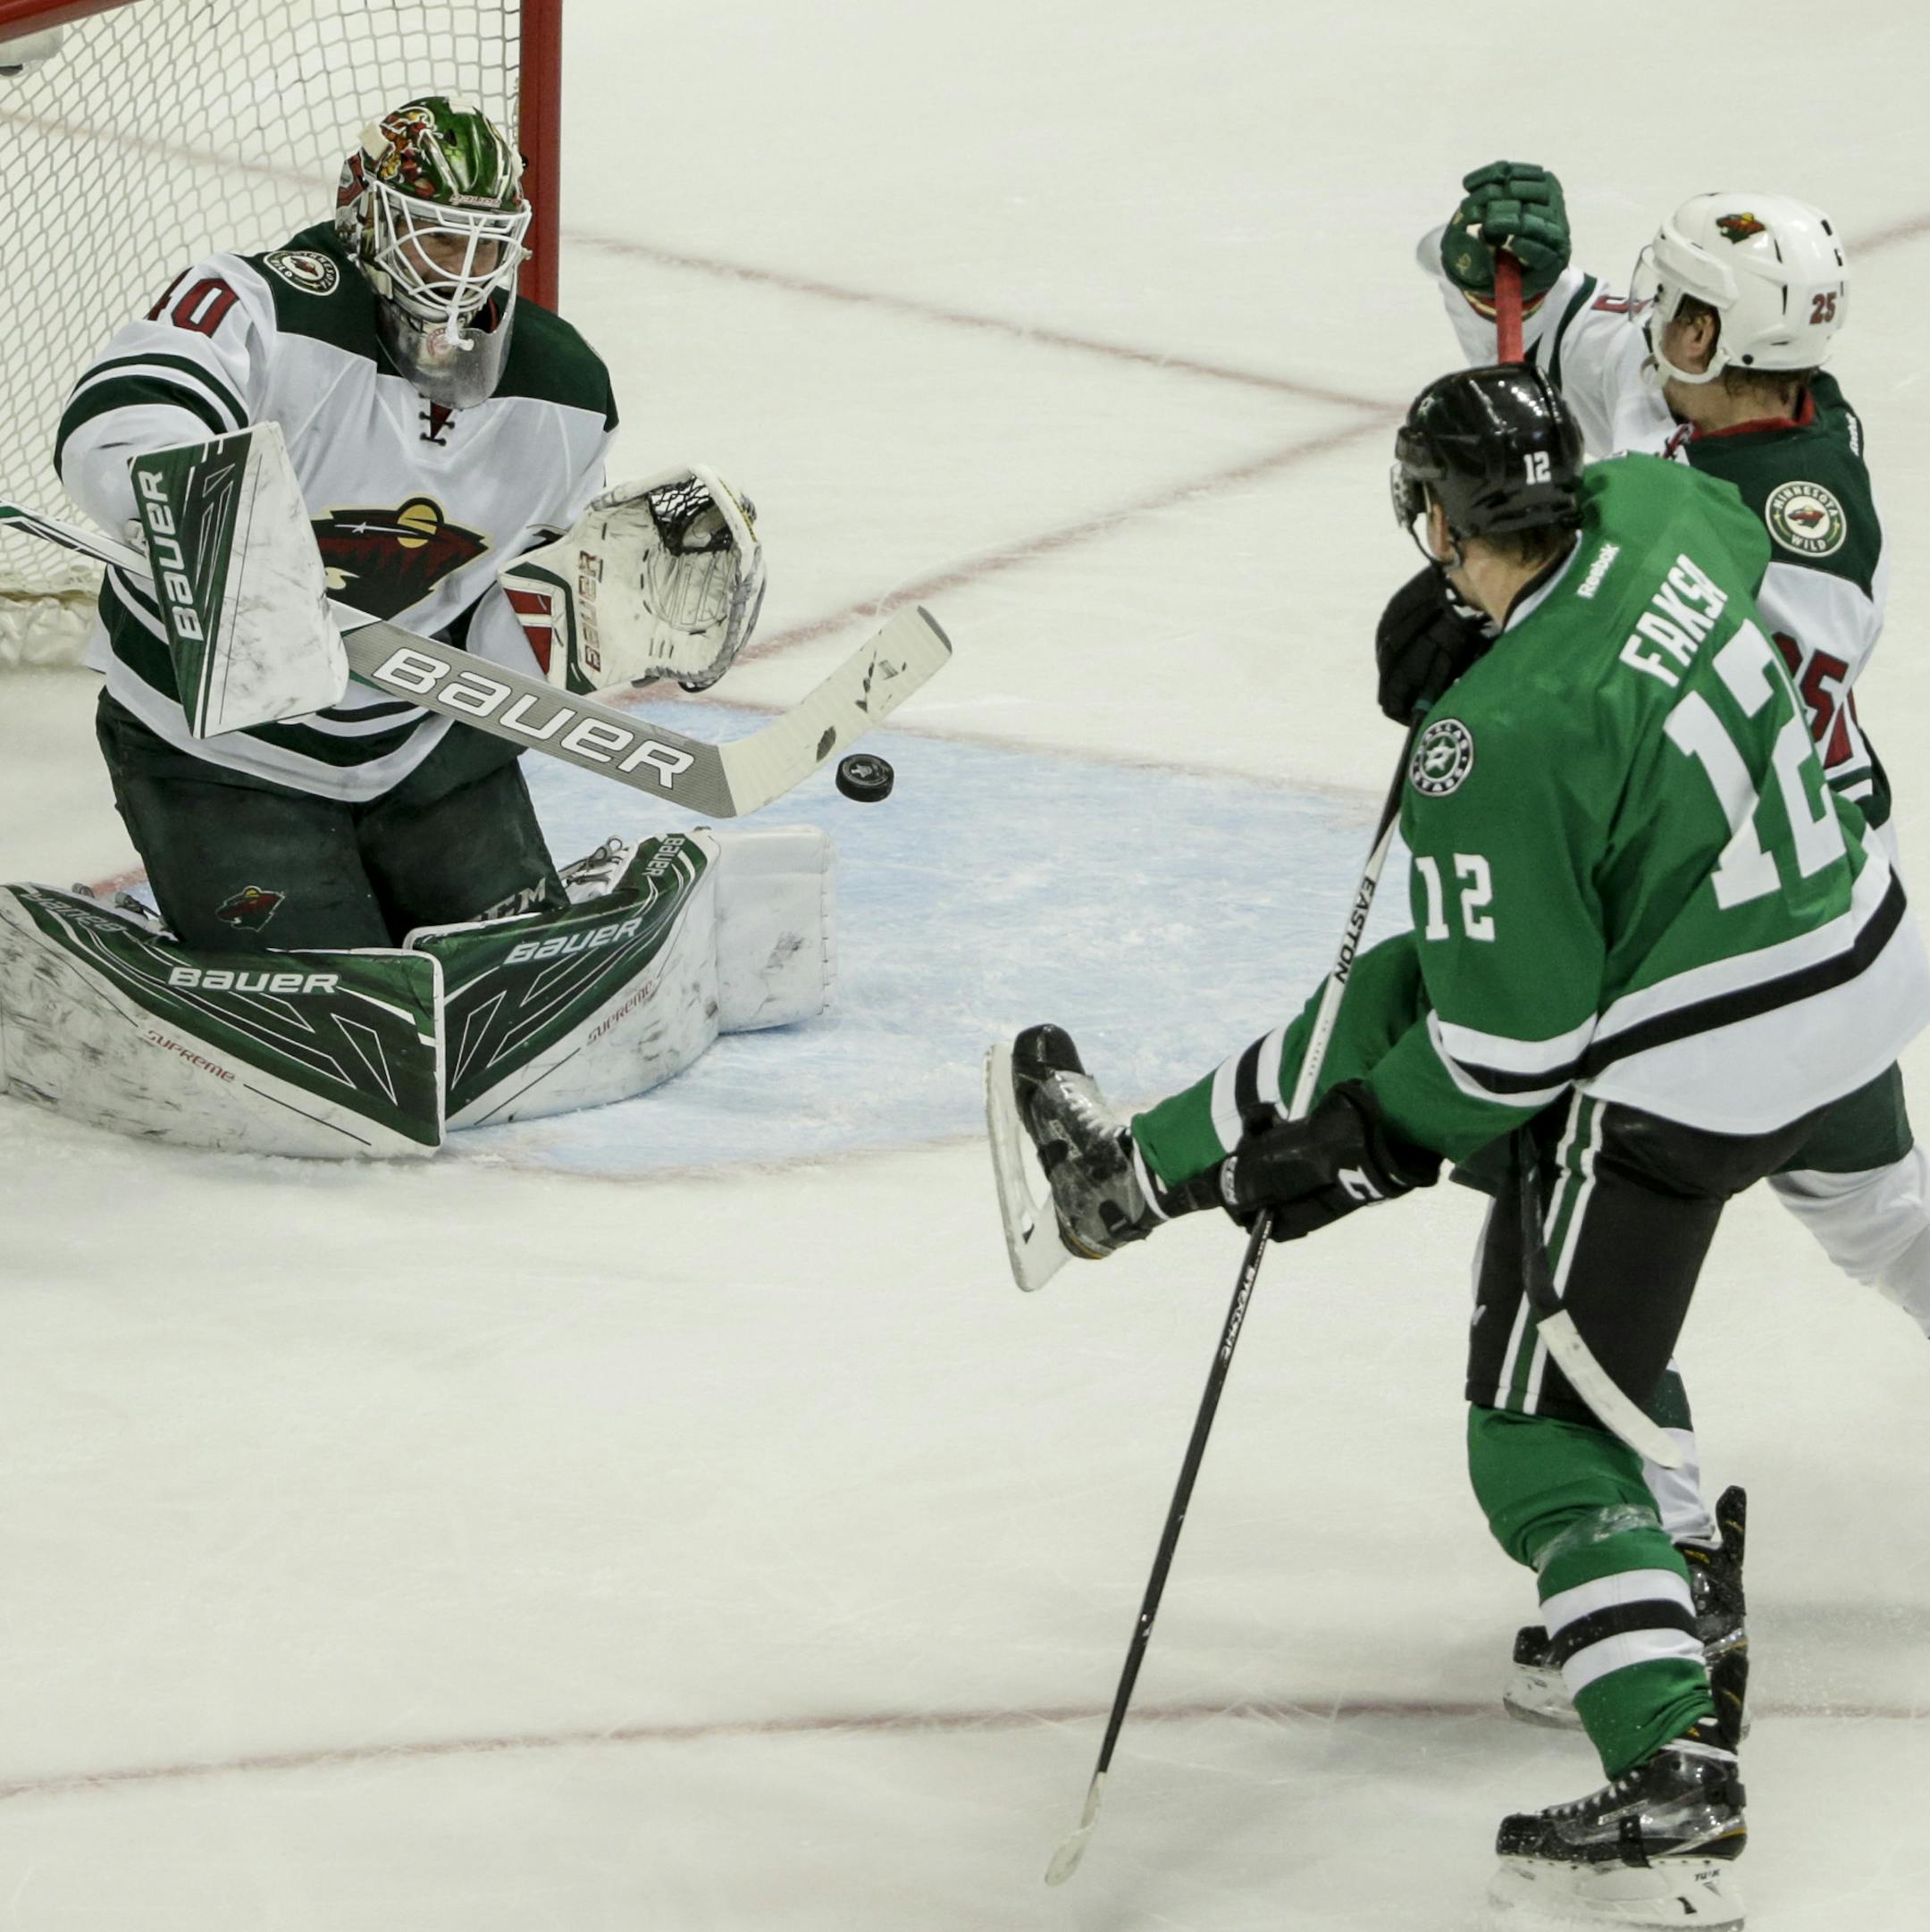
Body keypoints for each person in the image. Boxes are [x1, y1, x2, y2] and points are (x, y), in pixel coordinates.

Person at [994, 365, 1930, 1925]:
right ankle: (1134, 1170)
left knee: (1539, 1427)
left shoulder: (1490, 749)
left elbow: (1506, 1061)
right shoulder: (1666, 507)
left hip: (1709, 1036)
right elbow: (1684, 570)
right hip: (1856, 938)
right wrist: (1524, 622)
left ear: (1434, 517)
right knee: (1885, 1218)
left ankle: (1674, 1739)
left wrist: (1354, 1152)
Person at [1395, 159, 1930, 1726]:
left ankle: (1670, 1545)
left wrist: (1498, 612)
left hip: (1702, 947)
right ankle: (1674, 1529)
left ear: (1722, 333)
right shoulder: (1715, 384)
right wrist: (1491, 253)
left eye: (1675, 311)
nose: (1656, 330)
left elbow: (1637, 670)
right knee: (1887, 1213)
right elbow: (1539, 334)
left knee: (1566, 1242)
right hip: (1814, 912)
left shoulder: (1797, 511)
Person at [55, 94, 623, 952]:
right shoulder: (266, 303)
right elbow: (131, 406)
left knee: (509, 960)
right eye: (437, 235)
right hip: (216, 749)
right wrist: (201, 515)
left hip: (420, 752)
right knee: (333, 970)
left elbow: (531, 589)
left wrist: (606, 611)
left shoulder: (565, 387)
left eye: (487, 242)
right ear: (365, 215)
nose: (462, 269)